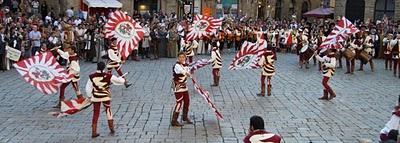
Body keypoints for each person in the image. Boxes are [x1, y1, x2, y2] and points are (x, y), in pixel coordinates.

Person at [85, 62, 126, 138]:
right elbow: (120, 81)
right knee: (108, 110)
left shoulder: (92, 76)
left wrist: (90, 96)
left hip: (96, 97)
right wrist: (121, 79)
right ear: (104, 68)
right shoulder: (108, 75)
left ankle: (94, 131)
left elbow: (88, 88)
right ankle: (111, 128)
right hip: (105, 96)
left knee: (96, 113)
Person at [171, 52, 193, 126]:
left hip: (184, 86)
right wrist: (187, 73)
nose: (181, 58)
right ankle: (174, 120)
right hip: (177, 86)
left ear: (185, 58)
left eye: (183, 57)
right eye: (180, 57)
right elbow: (181, 71)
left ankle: (185, 116)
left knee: (187, 101)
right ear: (178, 58)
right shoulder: (177, 66)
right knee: (179, 102)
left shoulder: (186, 65)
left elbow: (188, 71)